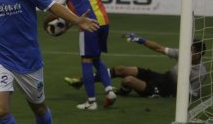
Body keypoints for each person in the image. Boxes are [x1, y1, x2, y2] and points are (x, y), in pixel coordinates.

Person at [43, 0, 116, 111]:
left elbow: (57, 8)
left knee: (86, 60)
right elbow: (85, 3)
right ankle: (109, 90)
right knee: (96, 57)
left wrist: (45, 23)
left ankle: (91, 101)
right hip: (104, 21)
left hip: (88, 23)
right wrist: (70, 23)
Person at [65, 33, 207, 98]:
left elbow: (192, 95)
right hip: (163, 77)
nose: (188, 52)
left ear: (198, 54)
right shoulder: (183, 54)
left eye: (192, 50)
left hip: (167, 90)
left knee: (128, 80)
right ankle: (82, 81)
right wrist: (140, 40)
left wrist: (184, 80)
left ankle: (123, 90)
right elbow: (159, 48)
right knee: (121, 69)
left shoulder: (201, 72)